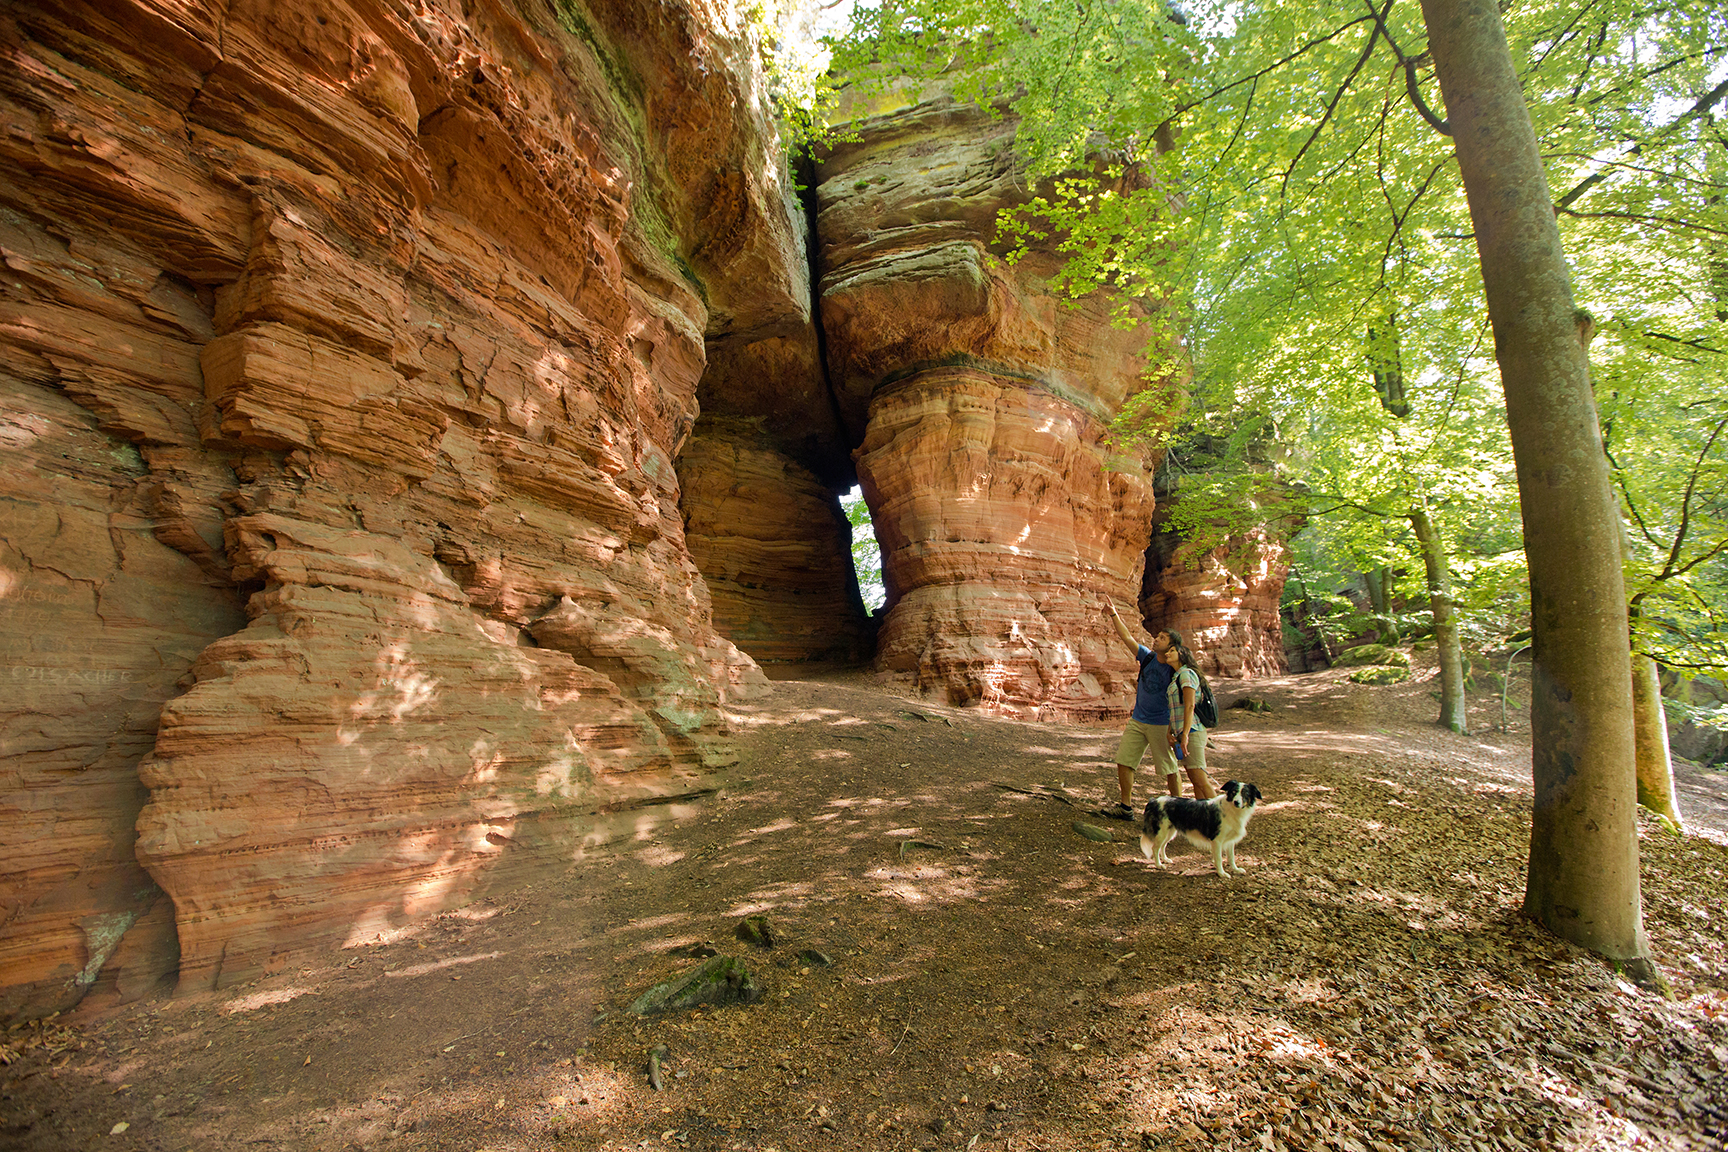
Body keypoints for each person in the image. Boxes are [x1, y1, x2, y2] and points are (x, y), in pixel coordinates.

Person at [1100, 601, 1178, 819]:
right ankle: (1125, 807)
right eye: (1158, 636)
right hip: (1138, 719)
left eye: (1162, 638)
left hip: (1161, 723)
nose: (1156, 639)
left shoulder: (1174, 669)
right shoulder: (1148, 657)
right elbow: (1127, 638)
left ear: (1171, 646)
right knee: (1124, 760)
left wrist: (1176, 728)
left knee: (1169, 768)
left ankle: (1178, 810)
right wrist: (1114, 613)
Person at [1162, 638, 1217, 800]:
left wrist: (1185, 734)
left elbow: (1189, 706)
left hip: (1192, 731)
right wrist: (1170, 731)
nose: (1167, 653)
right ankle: (1203, 816)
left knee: (1200, 779)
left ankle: (1219, 819)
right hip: (1184, 732)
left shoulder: (1186, 674)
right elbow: (1175, 708)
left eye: (1172, 651)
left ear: (1183, 655)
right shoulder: (1177, 677)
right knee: (1195, 780)